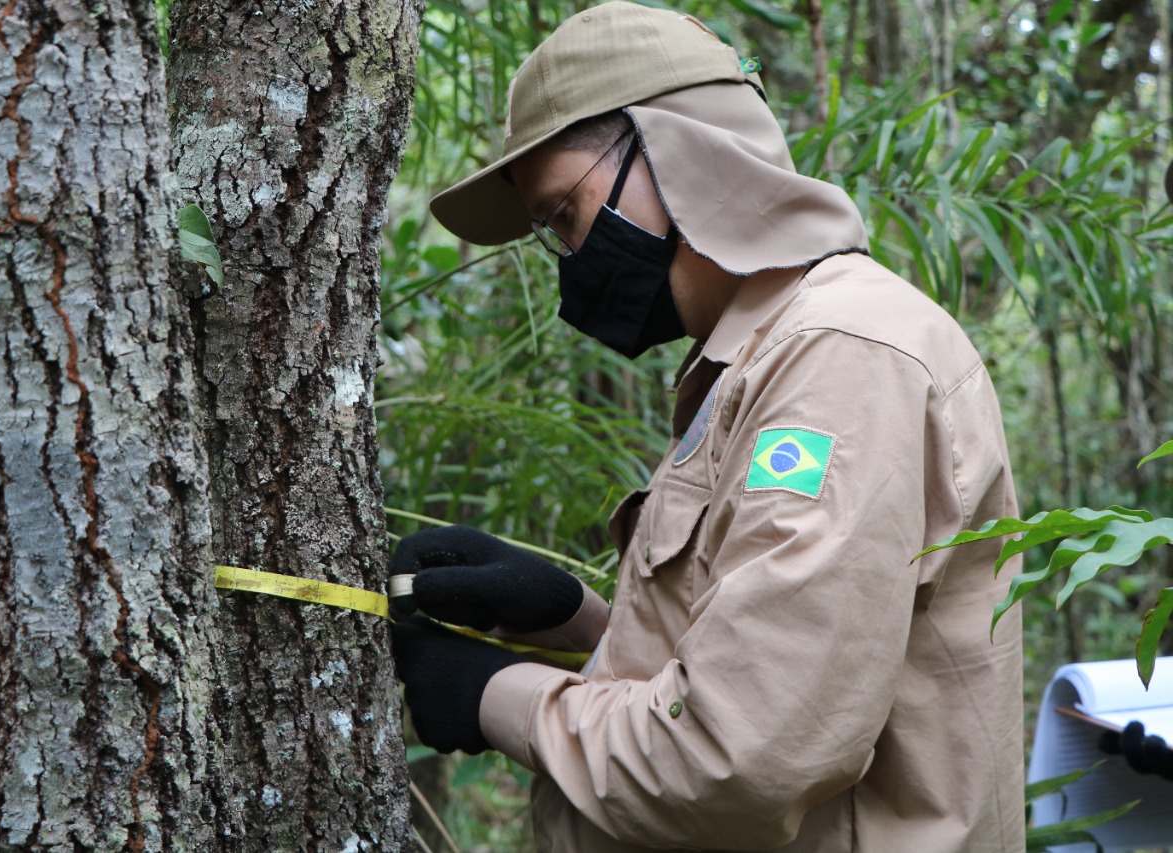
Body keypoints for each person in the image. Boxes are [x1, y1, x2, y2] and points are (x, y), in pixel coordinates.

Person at [389, 3, 1025, 851]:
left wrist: (496, 696)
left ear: (678, 147)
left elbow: (745, 755)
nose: (569, 261)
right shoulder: (764, 358)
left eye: (566, 217)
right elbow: (765, 663)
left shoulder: (841, 359)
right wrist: (579, 626)